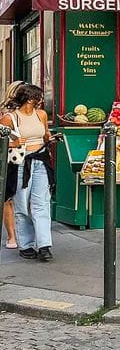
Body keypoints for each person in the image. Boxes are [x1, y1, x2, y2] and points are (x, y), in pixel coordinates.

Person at [1, 84, 59, 261]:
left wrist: (52, 139)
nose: (41, 100)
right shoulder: (9, 118)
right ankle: (26, 245)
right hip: (20, 163)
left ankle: (44, 245)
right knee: (22, 204)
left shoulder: (40, 114)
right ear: (29, 98)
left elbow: (45, 134)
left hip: (41, 160)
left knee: (41, 203)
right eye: (38, 96)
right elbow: (2, 143)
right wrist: (13, 143)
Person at [2, 80, 23, 250]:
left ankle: (21, 236)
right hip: (10, 160)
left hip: (29, 159)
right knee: (8, 199)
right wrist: (11, 144)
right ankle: (11, 236)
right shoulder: (6, 115)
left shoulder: (36, 113)